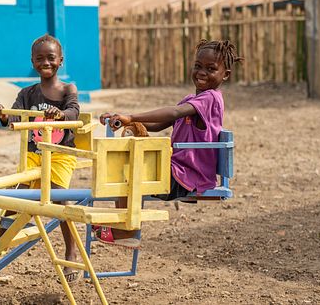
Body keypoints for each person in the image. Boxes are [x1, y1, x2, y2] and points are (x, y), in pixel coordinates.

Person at [96, 39, 244, 249]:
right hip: (180, 170)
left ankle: (127, 230)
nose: (202, 72)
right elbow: (159, 124)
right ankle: (125, 224)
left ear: (225, 74)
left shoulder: (211, 98)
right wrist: (127, 119)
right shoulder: (191, 100)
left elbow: (174, 113)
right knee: (128, 155)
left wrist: (131, 116)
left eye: (211, 69)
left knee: (127, 168)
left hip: (187, 176)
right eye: (198, 66)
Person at [0, 34, 81, 283]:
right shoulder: (27, 93)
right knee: (18, 189)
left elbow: (74, 111)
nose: (46, 63)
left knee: (61, 201)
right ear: (32, 61)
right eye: (40, 59)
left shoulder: (67, 89)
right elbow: (16, 117)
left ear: (60, 60)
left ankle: (71, 250)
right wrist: (3, 115)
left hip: (61, 154)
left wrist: (60, 114)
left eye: (51, 58)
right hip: (33, 153)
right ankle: (3, 235)